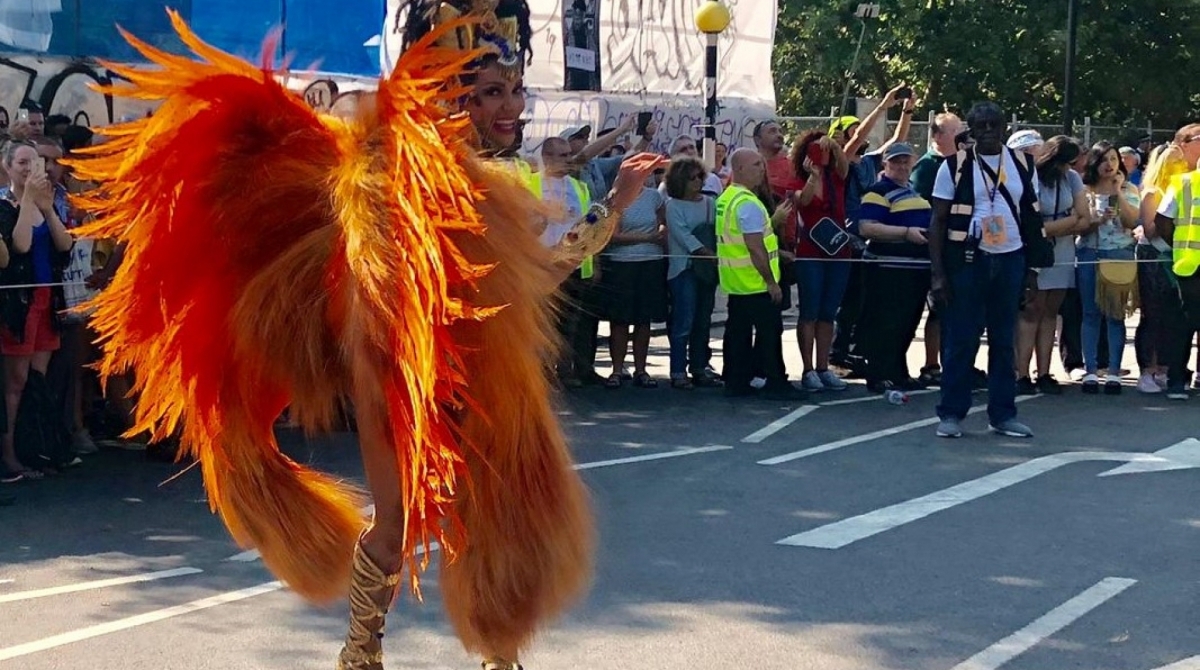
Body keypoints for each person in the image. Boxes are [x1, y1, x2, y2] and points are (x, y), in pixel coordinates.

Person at [71, 5, 666, 670]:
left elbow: (538, 277)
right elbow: (371, 297)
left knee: (503, 510)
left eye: (516, 89)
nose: (512, 106)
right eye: (494, 91)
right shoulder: (394, 188)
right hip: (395, 380)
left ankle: (499, 655)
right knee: (397, 523)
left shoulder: (489, 191)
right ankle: (360, 653)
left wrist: (612, 206)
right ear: (456, 99)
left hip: (474, 379)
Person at [928, 102, 1048, 439]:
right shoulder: (953, 166)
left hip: (1011, 259)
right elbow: (938, 222)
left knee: (1004, 341)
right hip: (969, 260)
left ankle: (1003, 414)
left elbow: (1031, 217)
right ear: (971, 129)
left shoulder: (1023, 164)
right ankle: (951, 413)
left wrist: (1032, 270)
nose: (988, 131)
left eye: (994, 124)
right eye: (981, 125)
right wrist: (938, 274)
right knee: (961, 340)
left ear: (1005, 126)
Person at [717, 148, 802, 401]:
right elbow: (754, 246)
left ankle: (736, 381)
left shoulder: (728, 197)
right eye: (756, 165)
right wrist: (770, 282)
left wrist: (779, 253)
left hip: (736, 281)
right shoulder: (748, 203)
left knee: (738, 333)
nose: (762, 169)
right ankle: (775, 382)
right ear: (739, 169)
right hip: (756, 281)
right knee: (769, 333)